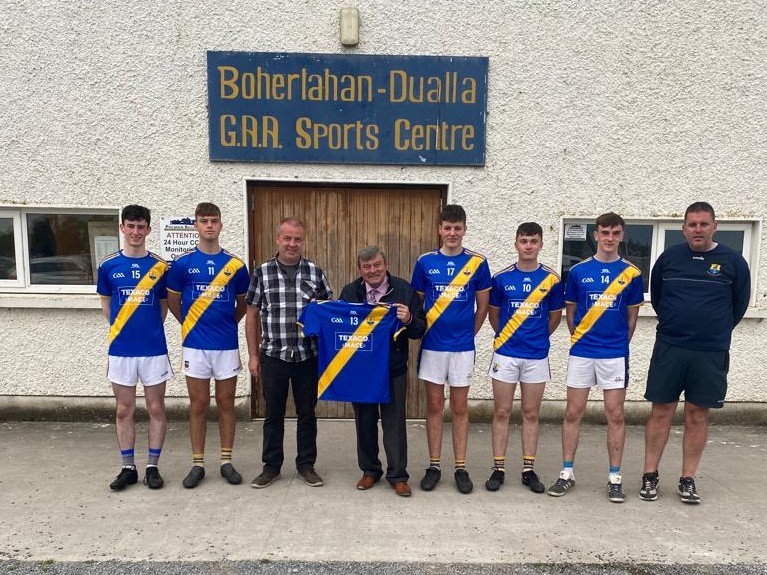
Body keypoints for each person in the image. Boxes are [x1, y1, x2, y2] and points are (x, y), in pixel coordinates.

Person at [641, 202, 750, 504]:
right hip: (671, 347)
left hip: (710, 351)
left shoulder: (733, 261)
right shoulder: (669, 258)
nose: (698, 229)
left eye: (704, 224)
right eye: (692, 224)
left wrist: (713, 330)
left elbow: (739, 305)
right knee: (661, 411)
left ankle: (687, 478)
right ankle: (650, 475)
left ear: (715, 226)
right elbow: (658, 298)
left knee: (697, 414)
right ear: (683, 229)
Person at [547, 212, 643, 503]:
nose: (610, 238)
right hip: (582, 352)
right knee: (573, 412)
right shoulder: (578, 272)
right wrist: (581, 339)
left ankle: (615, 478)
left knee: (615, 414)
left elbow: (632, 319)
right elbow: (571, 313)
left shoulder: (632, 273)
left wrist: (617, 344)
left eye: (615, 233)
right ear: (596, 235)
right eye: (605, 232)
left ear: (621, 235)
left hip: (614, 354)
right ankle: (567, 472)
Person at [245, 216, 333, 489]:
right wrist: (253, 355)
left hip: (308, 356)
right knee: (273, 415)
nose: (292, 244)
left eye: (297, 239)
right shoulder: (262, 272)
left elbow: (328, 312)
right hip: (274, 356)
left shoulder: (315, 272)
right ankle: (271, 467)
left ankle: (306, 465)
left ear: (302, 241)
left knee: (307, 414)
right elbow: (251, 315)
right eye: (287, 238)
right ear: (278, 239)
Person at [166, 202, 250, 488]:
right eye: (204, 221)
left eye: (214, 220)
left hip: (226, 344)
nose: (209, 225)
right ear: (196, 225)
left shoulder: (236, 266)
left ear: (221, 225)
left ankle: (226, 461)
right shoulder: (182, 264)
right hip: (195, 345)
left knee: (226, 403)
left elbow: (243, 305)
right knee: (199, 404)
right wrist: (190, 324)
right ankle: (198, 464)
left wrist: (226, 323)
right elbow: (174, 302)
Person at [411, 204, 492, 494]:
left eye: (457, 228)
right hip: (432, 346)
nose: (452, 233)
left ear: (464, 229)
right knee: (434, 406)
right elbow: (417, 305)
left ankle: (460, 467)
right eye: (448, 228)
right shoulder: (425, 262)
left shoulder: (478, 263)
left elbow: (483, 307)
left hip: (462, 348)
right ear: (440, 229)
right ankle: (434, 465)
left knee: (459, 407)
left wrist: (469, 334)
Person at [338, 246, 426, 497]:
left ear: (385, 265)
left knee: (394, 422)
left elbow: (420, 329)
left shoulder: (403, 290)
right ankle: (370, 470)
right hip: (362, 372)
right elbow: (339, 326)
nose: (372, 270)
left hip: (392, 369)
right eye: (367, 267)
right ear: (360, 269)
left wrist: (409, 319)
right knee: (364, 422)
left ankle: (398, 475)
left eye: (377, 265)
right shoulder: (350, 292)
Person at [485, 222, 564, 493]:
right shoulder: (501, 278)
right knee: (502, 411)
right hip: (505, 354)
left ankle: (528, 470)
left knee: (531, 413)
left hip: (536, 356)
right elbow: (494, 315)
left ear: (541, 244)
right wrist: (508, 337)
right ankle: (498, 468)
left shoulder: (552, 279)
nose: (528, 246)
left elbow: (554, 318)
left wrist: (536, 338)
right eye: (524, 241)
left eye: (533, 241)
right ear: (516, 244)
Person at [97, 204, 171, 491]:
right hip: (121, 350)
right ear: (122, 228)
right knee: (123, 410)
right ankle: (128, 467)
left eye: (141, 227)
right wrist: (125, 329)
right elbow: (107, 307)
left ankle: (152, 467)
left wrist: (146, 330)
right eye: (131, 226)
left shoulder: (160, 267)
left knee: (156, 408)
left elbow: (163, 309)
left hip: (153, 350)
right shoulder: (108, 266)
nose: (136, 232)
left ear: (148, 229)